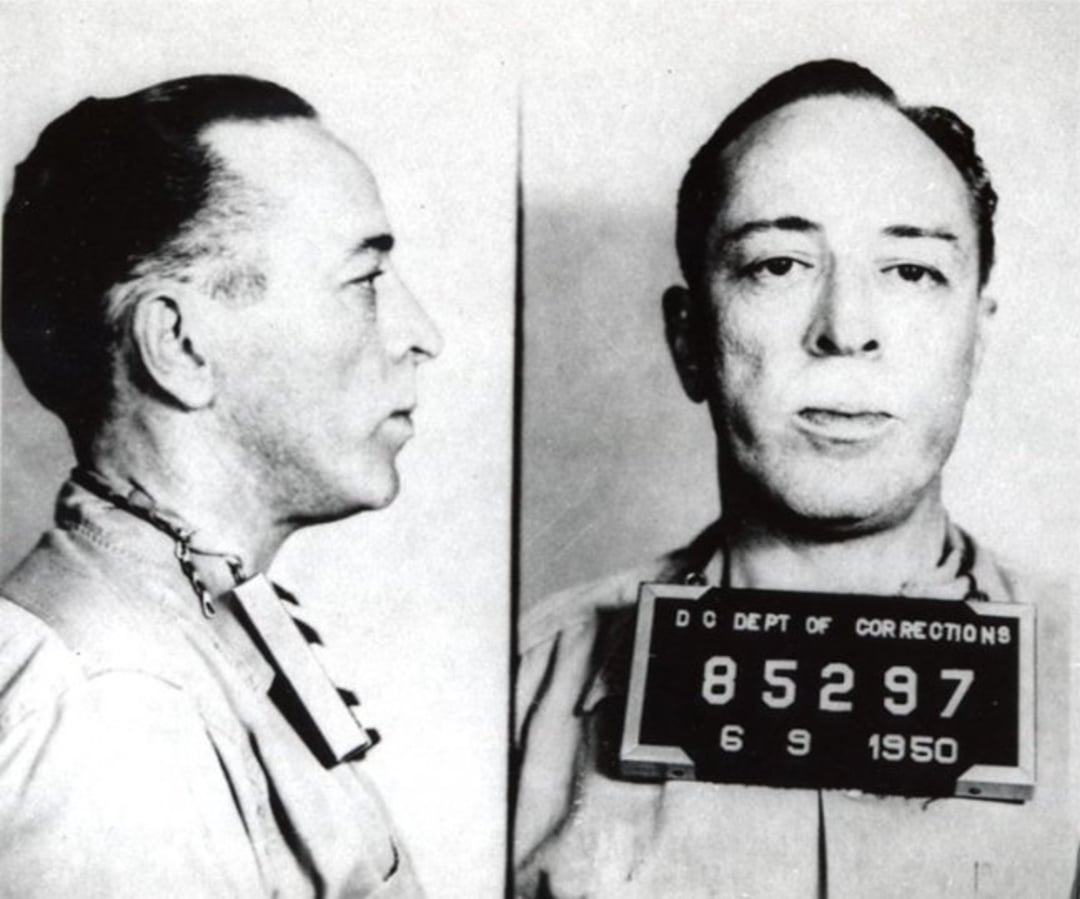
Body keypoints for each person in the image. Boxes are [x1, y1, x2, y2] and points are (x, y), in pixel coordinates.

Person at [514, 59, 1076, 897]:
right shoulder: (520, 688)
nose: (846, 329)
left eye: (911, 270)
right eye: (778, 265)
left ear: (977, 337)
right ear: (690, 339)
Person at [0, 74, 442, 897]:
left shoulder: (193, 624)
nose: (423, 335)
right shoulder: (114, 713)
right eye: (365, 281)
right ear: (180, 345)